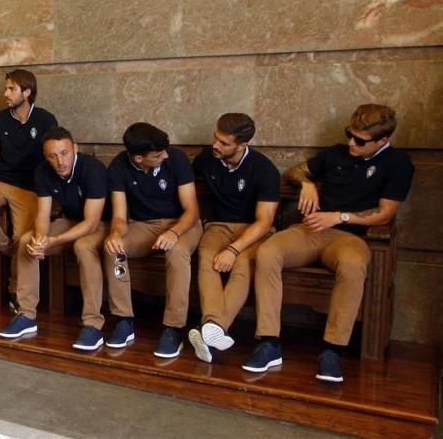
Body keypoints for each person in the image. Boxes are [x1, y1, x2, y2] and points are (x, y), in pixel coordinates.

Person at [246, 104, 414, 384]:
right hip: (310, 229)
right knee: (267, 252)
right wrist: (308, 183)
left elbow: (385, 212)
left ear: (382, 140)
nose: (352, 142)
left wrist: (338, 217)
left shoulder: (398, 163)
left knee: (352, 265)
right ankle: (269, 342)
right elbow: (294, 172)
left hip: (351, 236)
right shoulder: (336, 152)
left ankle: (332, 349)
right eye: (350, 134)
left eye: (360, 140)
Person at [0, 127, 110, 351]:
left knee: (83, 247)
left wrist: (54, 240)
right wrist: (41, 239)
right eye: (53, 156)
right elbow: (42, 214)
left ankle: (92, 325)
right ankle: (27, 314)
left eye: (65, 153)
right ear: (45, 156)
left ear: (74, 149)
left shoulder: (93, 169)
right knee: (26, 241)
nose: (60, 161)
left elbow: (91, 222)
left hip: (101, 225)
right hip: (69, 222)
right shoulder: (42, 171)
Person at [186, 113, 280, 363]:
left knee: (242, 263)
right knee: (206, 256)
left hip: (253, 230)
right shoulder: (207, 159)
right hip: (219, 226)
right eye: (216, 138)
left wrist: (234, 249)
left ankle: (213, 325)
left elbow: (265, 221)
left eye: (224, 143)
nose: (216, 145)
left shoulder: (263, 169)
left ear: (242, 145)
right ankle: (214, 330)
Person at [104, 122, 202, 358]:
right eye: (158, 155)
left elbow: (192, 210)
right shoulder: (119, 166)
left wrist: (173, 232)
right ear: (138, 158)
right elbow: (119, 215)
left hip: (181, 224)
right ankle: (124, 319)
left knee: (177, 252)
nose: (165, 156)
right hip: (142, 226)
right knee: (113, 250)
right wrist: (116, 234)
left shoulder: (176, 159)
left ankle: (174, 328)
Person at [0, 69, 58, 307]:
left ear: (27, 92)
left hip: (30, 187)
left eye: (11, 89)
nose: (5, 93)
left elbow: (53, 156)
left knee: (23, 237)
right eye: (5, 88)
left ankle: (15, 290)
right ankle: (9, 250)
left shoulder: (45, 120)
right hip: (0, 181)